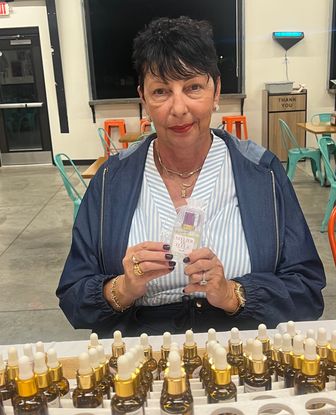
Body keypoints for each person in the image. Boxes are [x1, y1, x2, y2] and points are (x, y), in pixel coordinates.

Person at [56, 16, 325, 338]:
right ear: (144, 98)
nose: (179, 108)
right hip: (145, 348)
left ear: (216, 91)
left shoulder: (262, 174)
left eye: (193, 87)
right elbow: (74, 297)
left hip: (242, 342)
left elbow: (307, 291)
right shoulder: (112, 181)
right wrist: (123, 287)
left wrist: (232, 294)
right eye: (161, 91)